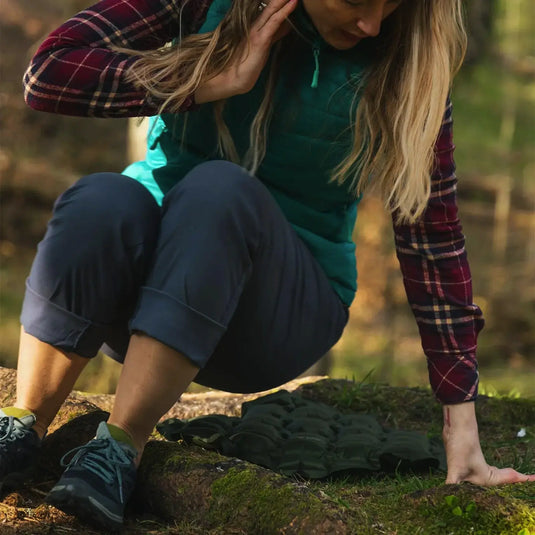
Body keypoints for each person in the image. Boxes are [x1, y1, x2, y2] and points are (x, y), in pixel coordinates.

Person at [1, 0, 534, 530]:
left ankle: (119, 449)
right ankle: (22, 427)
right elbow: (47, 74)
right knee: (101, 198)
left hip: (277, 319)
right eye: (354, 3)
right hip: (146, 294)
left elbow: (432, 238)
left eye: (387, 6)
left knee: (220, 189)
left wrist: (461, 428)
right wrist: (203, 78)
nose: (372, 25)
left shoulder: (408, 62)